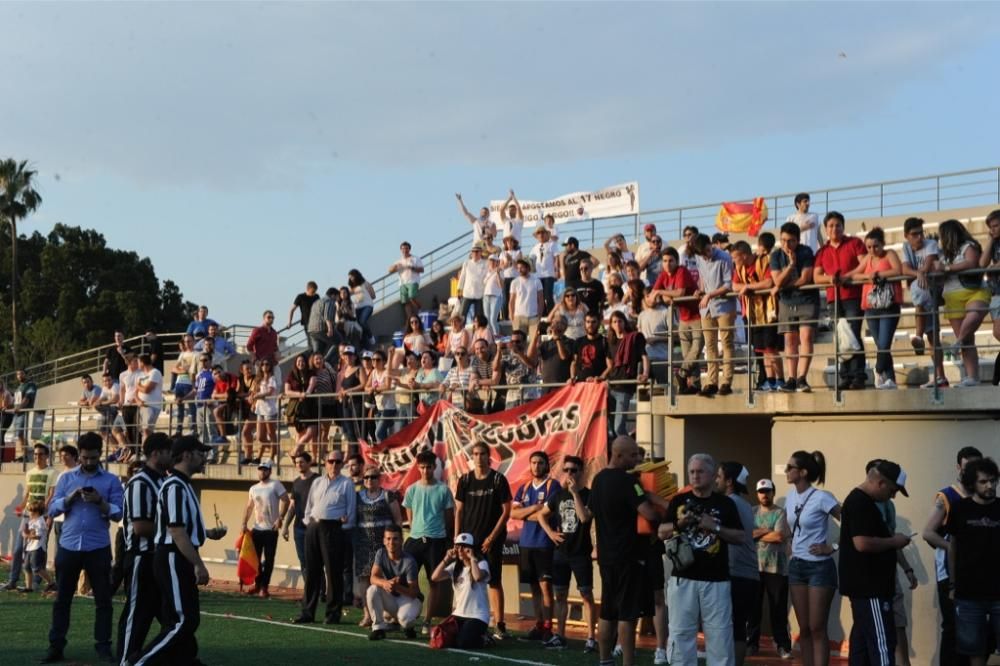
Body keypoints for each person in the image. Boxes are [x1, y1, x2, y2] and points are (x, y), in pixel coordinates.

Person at [128, 436, 227, 666]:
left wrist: (206, 534)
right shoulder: (174, 486)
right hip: (172, 556)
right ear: (186, 455)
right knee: (183, 621)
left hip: (175, 555)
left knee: (180, 619)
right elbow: (176, 531)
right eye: (200, 453)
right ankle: (139, 662)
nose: (205, 458)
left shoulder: (181, 485)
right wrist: (198, 564)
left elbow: (182, 529)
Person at [43, 432, 125, 664]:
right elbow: (52, 510)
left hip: (98, 547)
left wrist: (100, 501)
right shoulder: (67, 478)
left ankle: (103, 647)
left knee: (104, 601)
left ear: (101, 454)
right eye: (85, 458)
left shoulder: (110, 481)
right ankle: (55, 646)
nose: (89, 462)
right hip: (69, 545)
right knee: (62, 601)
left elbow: (119, 512)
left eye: (93, 458)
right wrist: (68, 499)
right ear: (79, 455)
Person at [658, 454, 743, 666]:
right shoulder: (678, 501)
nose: (695, 476)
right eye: (692, 472)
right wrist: (680, 523)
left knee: (720, 636)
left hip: (716, 580)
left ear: (713, 475)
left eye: (700, 471)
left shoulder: (725, 504)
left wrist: (713, 526)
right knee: (680, 633)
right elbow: (661, 532)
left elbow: (740, 537)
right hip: (683, 578)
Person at [591, 436, 669, 666]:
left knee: (607, 610)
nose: (637, 459)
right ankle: (628, 662)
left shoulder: (598, 479)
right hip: (629, 555)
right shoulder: (628, 482)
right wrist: (657, 503)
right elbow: (649, 513)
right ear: (619, 455)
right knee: (627, 613)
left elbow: (592, 514)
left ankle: (605, 660)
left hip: (606, 555)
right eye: (633, 455)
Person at [839, 459, 912, 665]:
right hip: (871, 589)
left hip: (868, 588)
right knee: (882, 645)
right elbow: (862, 543)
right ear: (880, 483)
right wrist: (894, 541)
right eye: (892, 490)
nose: (893, 495)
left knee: (861, 645)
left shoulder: (863, 502)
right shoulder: (860, 503)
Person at [921, 445, 982, 666]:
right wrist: (952, 547)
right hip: (949, 572)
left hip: (977, 573)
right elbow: (928, 532)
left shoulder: (983, 494)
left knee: (975, 626)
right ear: (959, 467)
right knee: (953, 627)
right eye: (968, 467)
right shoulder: (947, 496)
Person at [117, 432, 172, 662]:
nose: (173, 457)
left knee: (174, 620)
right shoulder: (140, 482)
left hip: (158, 557)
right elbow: (140, 527)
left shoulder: (162, 480)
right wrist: (178, 533)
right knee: (138, 614)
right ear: (156, 453)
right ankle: (126, 660)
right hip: (142, 557)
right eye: (170, 452)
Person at [786, 450, 841, 666]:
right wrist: (790, 542)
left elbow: (851, 522)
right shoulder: (790, 496)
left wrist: (832, 546)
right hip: (796, 566)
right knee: (805, 628)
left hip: (819, 568)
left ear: (803, 472)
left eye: (790, 467)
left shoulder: (822, 497)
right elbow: (793, 527)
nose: (787, 471)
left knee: (818, 627)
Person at [538, 455, 597, 653]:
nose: (569, 474)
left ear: (582, 472)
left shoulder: (589, 494)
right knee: (560, 595)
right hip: (560, 553)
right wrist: (550, 532)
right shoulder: (557, 495)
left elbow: (584, 517)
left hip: (580, 552)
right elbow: (541, 514)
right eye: (566, 470)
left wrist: (575, 494)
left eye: (573, 470)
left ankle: (591, 638)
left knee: (586, 594)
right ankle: (560, 635)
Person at [454, 441, 512, 640]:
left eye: (482, 454)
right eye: (475, 454)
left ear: (489, 457)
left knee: (494, 580)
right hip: (469, 541)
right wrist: (457, 540)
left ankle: (500, 624)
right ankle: (471, 620)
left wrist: (492, 537)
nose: (478, 457)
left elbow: (506, 512)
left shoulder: (498, 479)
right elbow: (459, 511)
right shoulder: (465, 480)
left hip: (491, 540)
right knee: (468, 580)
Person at [947, 457, 1000, 666]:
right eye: (984, 481)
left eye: (993, 481)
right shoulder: (960, 509)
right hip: (969, 593)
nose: (990, 486)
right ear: (972, 484)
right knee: (973, 650)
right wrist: (952, 583)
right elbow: (953, 547)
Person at [294, 450, 356, 625]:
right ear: (325, 462)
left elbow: (350, 511)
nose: (334, 465)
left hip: (334, 529)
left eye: (338, 462)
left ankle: (333, 613)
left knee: (333, 573)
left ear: (342, 464)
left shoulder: (347, 484)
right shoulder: (318, 482)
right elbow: (309, 507)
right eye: (331, 461)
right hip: (313, 527)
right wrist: (309, 523)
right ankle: (307, 612)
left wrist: (341, 527)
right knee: (312, 571)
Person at [814, 211, 869, 390]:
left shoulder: (855, 243)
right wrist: (830, 279)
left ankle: (858, 376)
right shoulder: (822, 251)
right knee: (840, 337)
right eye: (831, 225)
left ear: (843, 226)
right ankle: (845, 376)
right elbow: (816, 277)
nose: (834, 228)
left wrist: (848, 277)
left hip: (853, 296)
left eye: (838, 225)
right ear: (825, 229)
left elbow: (864, 265)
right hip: (833, 299)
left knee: (852, 334)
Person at [845, 227, 904, 389]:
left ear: (883, 244)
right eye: (869, 247)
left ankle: (878, 371)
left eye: (876, 246)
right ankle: (890, 379)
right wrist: (867, 276)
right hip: (871, 306)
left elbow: (898, 270)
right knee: (881, 346)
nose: (872, 250)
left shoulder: (890, 254)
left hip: (889, 305)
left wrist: (878, 275)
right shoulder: (868, 258)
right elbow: (855, 273)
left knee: (884, 344)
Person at [511, 452, 561, 642]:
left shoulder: (552, 486)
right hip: (526, 543)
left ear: (546, 465)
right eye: (533, 463)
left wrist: (526, 512)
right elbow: (514, 514)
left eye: (540, 463)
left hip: (544, 543)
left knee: (546, 586)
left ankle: (548, 626)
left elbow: (547, 514)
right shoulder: (524, 488)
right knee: (533, 586)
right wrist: (534, 509)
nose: (536, 466)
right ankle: (539, 624)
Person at [403, 450, 454, 633]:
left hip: (436, 541)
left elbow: (449, 518)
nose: (425, 471)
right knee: (406, 579)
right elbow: (410, 517)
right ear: (418, 468)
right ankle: (407, 615)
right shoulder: (412, 489)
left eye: (429, 467)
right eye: (422, 467)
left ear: (434, 467)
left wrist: (443, 536)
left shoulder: (443, 490)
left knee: (435, 582)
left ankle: (427, 621)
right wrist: (417, 529)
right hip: (415, 540)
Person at [934, 219, 989, 387]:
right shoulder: (942, 253)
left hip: (974, 291)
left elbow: (971, 262)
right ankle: (972, 377)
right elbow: (939, 274)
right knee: (968, 340)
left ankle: (956, 343)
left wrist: (948, 268)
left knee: (973, 317)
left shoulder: (968, 246)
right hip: (951, 295)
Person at [717, 462, 760, 665]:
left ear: (729, 481)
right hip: (748, 574)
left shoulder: (729, 503)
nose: (715, 479)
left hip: (737, 573)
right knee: (738, 627)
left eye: (718, 476)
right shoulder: (744, 504)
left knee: (731, 627)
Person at [771, 221, 819, 392]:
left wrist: (783, 285)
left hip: (806, 300)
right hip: (786, 301)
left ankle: (802, 378)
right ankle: (791, 378)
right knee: (789, 341)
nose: (786, 244)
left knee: (806, 337)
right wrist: (791, 265)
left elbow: (805, 279)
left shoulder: (806, 252)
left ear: (798, 240)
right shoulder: (776, 255)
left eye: (790, 241)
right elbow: (776, 280)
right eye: (783, 240)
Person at [899, 217, 947, 387]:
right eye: (914, 234)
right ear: (906, 236)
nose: (919, 237)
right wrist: (918, 274)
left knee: (918, 290)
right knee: (933, 337)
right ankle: (940, 377)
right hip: (924, 291)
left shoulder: (930, 243)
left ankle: (917, 335)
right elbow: (904, 269)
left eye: (921, 233)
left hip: (934, 291)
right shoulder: (906, 247)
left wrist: (921, 272)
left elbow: (928, 263)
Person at [2, 442, 57, 591]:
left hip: (42, 516)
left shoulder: (52, 473)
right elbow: (27, 493)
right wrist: (20, 507)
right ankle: (13, 580)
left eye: (40, 454)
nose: (37, 457)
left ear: (47, 456)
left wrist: (43, 510)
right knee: (18, 548)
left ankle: (36, 582)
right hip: (28, 514)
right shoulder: (30, 472)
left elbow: (51, 494)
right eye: (35, 454)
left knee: (39, 549)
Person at [748, 478, 792, 659]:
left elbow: (779, 536)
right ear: (757, 494)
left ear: (773, 492)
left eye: (768, 491)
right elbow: (746, 534)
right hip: (754, 567)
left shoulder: (780, 512)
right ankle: (751, 645)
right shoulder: (751, 512)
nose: (764, 495)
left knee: (778, 609)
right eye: (761, 491)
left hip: (777, 568)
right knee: (753, 609)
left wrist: (757, 533)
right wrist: (767, 531)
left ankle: (782, 646)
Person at [354, 465, 403, 627]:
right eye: (366, 477)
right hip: (363, 544)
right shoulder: (357, 496)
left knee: (387, 580)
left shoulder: (388, 495)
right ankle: (368, 614)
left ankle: (393, 614)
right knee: (364, 580)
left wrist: (396, 543)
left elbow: (397, 521)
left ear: (379, 479)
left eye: (373, 477)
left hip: (384, 546)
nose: (369, 480)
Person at [649, 246, 702, 394]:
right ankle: (694, 385)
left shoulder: (682, 271)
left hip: (698, 315)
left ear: (677, 261)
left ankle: (681, 374)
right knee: (687, 355)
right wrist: (664, 295)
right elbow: (652, 298)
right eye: (664, 261)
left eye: (670, 260)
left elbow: (679, 292)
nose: (667, 264)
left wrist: (661, 293)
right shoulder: (663, 275)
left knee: (696, 350)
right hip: (683, 318)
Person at [692, 233, 736, 396]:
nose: (707, 255)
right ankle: (711, 382)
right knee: (709, 345)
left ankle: (726, 381)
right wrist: (701, 291)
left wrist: (709, 294)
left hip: (724, 305)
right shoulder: (699, 259)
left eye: (708, 250)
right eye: (704, 253)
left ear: (711, 244)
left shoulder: (724, 257)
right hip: (707, 307)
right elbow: (703, 279)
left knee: (726, 343)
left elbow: (728, 285)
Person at [431, 532, 493, 649]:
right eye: (458, 546)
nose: (460, 550)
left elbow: (477, 577)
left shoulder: (482, 564)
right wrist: (446, 558)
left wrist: (473, 558)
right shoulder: (455, 567)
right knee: (439, 636)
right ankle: (470, 635)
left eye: (464, 547)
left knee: (463, 643)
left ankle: (484, 638)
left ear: (471, 549)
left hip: (477, 616)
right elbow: (435, 577)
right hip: (458, 614)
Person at [241, 459, 289, 598]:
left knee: (269, 560)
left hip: (270, 529)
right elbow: (249, 507)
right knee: (255, 559)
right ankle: (257, 584)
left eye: (265, 469)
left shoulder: (275, 484)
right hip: (257, 528)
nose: (262, 471)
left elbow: (286, 499)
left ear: (270, 471)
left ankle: (264, 586)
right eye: (260, 469)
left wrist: (280, 517)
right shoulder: (253, 488)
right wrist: (244, 523)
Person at [366, 524, 423, 640]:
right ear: (384, 540)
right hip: (392, 597)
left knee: (406, 621)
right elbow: (373, 578)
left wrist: (396, 586)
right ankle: (378, 628)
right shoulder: (381, 553)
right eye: (388, 538)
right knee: (372, 589)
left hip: (410, 599)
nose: (391, 542)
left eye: (395, 539)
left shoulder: (409, 561)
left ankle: (409, 627)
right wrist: (385, 583)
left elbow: (414, 592)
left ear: (402, 541)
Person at [605, 310, 649, 437]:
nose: (617, 324)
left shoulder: (634, 337)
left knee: (619, 428)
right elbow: (609, 366)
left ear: (624, 322)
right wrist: (602, 378)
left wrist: (645, 373)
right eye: (614, 322)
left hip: (624, 387)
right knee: (611, 429)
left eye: (620, 321)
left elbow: (644, 356)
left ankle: (629, 450)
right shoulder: (610, 342)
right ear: (611, 325)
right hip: (610, 386)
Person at [282, 452, 320, 587]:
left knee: (315, 561)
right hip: (298, 529)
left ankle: (321, 592)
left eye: (302, 462)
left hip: (314, 528)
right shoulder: (296, 482)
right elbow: (292, 506)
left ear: (309, 463)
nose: (299, 465)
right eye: (297, 462)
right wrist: (285, 525)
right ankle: (309, 591)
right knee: (303, 561)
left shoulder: (318, 480)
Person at [980, 210, 1000, 384]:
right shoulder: (993, 243)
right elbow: (982, 264)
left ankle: (996, 377)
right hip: (995, 292)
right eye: (990, 227)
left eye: (996, 226)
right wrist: (990, 241)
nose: (992, 230)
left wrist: (993, 268)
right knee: (997, 332)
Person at [19, 500, 54, 593]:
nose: (29, 513)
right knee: (26, 567)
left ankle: (51, 583)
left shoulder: (40, 522)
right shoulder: (32, 521)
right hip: (30, 547)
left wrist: (28, 535)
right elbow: (28, 532)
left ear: (36, 512)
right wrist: (25, 532)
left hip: (37, 547)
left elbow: (38, 536)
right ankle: (28, 587)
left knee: (36, 568)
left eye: (30, 511)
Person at [388, 241, 425, 320]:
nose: (405, 250)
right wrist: (394, 267)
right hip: (402, 283)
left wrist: (412, 268)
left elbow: (422, 270)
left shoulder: (415, 258)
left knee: (412, 297)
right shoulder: (399, 261)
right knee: (405, 302)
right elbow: (389, 270)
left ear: (409, 249)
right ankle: (409, 319)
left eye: (406, 248)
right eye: (403, 249)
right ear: (401, 250)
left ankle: (419, 308)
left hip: (413, 281)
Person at [571, 312, 611, 383]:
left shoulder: (605, 341)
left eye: (593, 322)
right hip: (580, 385)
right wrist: (572, 377)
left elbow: (610, 366)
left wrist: (600, 377)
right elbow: (574, 362)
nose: (590, 325)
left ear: (599, 323)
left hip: (598, 385)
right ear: (584, 323)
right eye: (588, 322)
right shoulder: (578, 341)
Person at [508, 257, 545, 335]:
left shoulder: (537, 281)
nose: (519, 270)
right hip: (519, 317)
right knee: (519, 344)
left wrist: (539, 316)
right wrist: (511, 317)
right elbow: (511, 301)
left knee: (535, 343)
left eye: (521, 267)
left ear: (528, 267)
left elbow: (541, 300)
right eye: (518, 268)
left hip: (533, 317)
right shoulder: (514, 282)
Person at [529, 225, 559, 313]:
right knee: (539, 297)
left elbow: (556, 258)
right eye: (539, 233)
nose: (541, 235)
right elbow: (531, 260)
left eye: (543, 232)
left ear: (546, 234)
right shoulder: (534, 247)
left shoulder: (552, 244)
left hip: (549, 274)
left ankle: (551, 315)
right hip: (538, 276)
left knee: (549, 297)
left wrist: (557, 271)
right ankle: (542, 315)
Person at [457, 242, 489, 322]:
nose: (475, 253)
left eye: (477, 251)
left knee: (478, 317)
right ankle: (461, 331)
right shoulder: (466, 263)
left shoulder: (486, 263)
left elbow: (487, 278)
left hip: (480, 294)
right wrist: (459, 289)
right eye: (473, 251)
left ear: (481, 252)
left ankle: (477, 333)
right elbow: (462, 277)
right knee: (462, 315)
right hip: (467, 293)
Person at [11, 368, 37, 462]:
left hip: (25, 412)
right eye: (18, 374)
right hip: (17, 414)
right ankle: (23, 455)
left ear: (25, 374)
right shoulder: (19, 387)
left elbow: (27, 398)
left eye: (21, 374)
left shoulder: (30, 385)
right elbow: (15, 401)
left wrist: (20, 407)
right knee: (19, 435)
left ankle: (26, 455)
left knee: (23, 434)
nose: (19, 376)